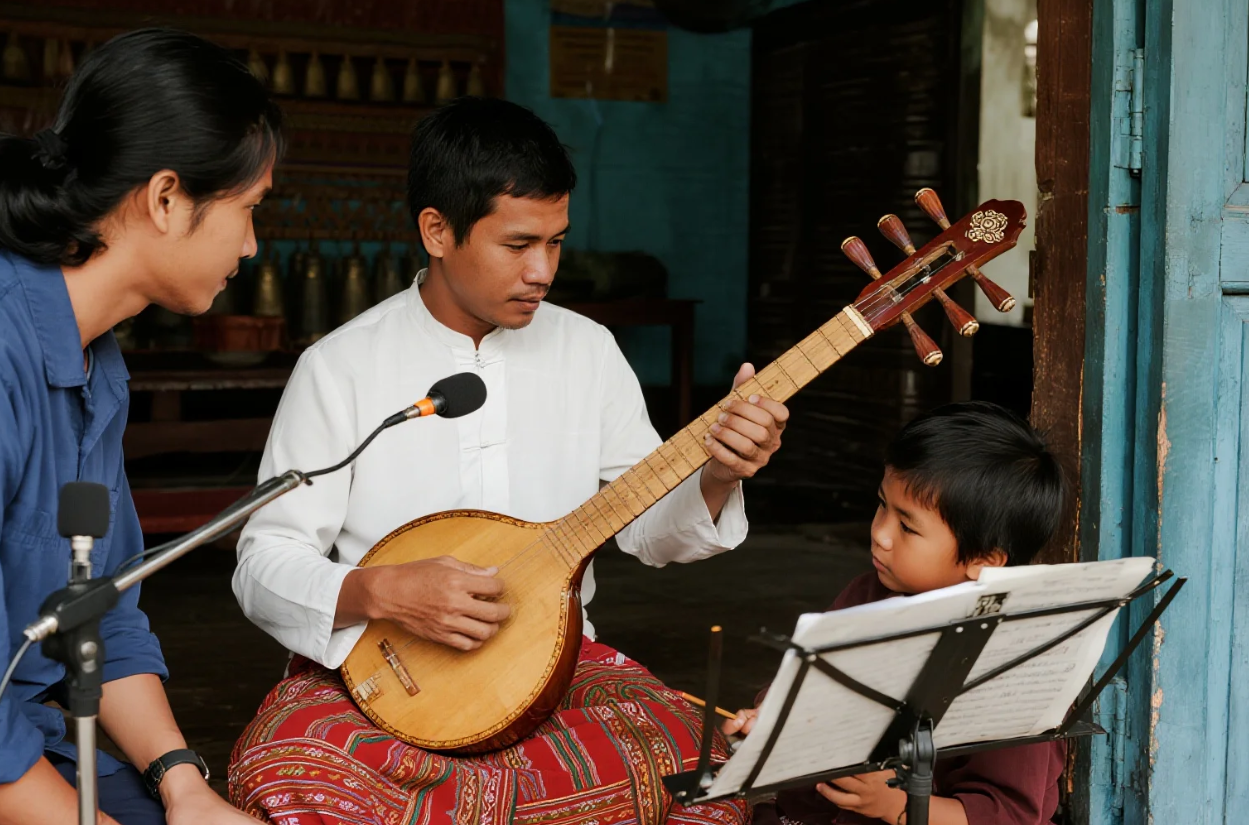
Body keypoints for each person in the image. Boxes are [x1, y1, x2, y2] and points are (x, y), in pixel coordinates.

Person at [227, 96, 787, 824]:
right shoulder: (340, 366)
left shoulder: (587, 351)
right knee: (286, 768)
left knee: (706, 771)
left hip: (556, 672)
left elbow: (650, 532)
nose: (543, 270)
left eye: (556, 243)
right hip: (383, 674)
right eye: (518, 244)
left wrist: (718, 473)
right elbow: (263, 564)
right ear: (436, 230)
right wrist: (384, 591)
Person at [0, 28, 281, 825]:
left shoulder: (100, 366)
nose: (251, 245)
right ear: (165, 198)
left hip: (35, 741)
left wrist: (183, 784)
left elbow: (104, 611)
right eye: (248, 209)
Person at [725, 401, 1070, 825]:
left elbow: (1009, 815)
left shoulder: (1018, 662)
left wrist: (900, 807)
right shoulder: (868, 595)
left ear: (982, 560)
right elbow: (806, 685)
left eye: (907, 526)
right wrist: (775, 716)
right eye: (881, 504)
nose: (880, 534)